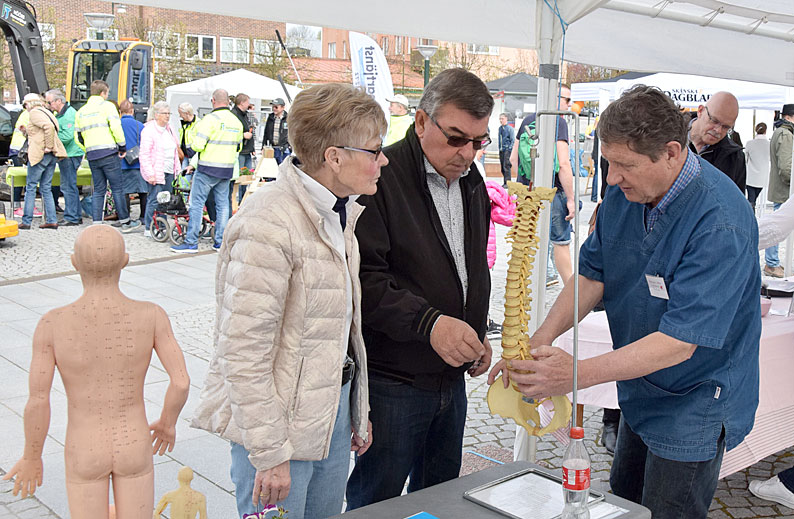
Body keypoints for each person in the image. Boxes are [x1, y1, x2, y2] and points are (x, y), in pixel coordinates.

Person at [489, 85, 761, 519]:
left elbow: (679, 342)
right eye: (608, 162)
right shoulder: (625, 191)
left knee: (668, 509)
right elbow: (593, 275)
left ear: (672, 152)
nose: (611, 178)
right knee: (623, 503)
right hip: (641, 388)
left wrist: (574, 375)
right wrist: (536, 342)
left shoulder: (720, 222)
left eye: (624, 165)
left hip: (696, 400)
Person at [192, 83, 383, 519]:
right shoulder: (268, 222)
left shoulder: (338, 210)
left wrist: (357, 410)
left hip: (327, 413)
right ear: (334, 157)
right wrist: (268, 450)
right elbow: (242, 351)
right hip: (277, 432)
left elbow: (339, 332)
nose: (382, 160)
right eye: (374, 150)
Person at [345, 68, 493, 509]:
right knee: (378, 502)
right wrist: (430, 325)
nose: (467, 153)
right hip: (396, 382)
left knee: (439, 501)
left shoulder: (472, 183)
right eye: (455, 138)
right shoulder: (378, 179)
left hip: (451, 379)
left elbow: (470, 269)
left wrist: (476, 330)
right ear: (422, 121)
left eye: (478, 142)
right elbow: (364, 282)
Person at [2, 225, 190, 517]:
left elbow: (38, 399)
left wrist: (32, 455)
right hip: (134, 440)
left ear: (74, 262)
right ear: (125, 260)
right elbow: (180, 382)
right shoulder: (152, 315)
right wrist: (167, 423)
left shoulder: (52, 324)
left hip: (84, 445)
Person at [510, 84, 577, 285]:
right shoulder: (559, 122)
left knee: (528, 240)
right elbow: (563, 164)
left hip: (527, 191)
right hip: (552, 192)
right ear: (556, 99)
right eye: (567, 100)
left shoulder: (528, 121)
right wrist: (571, 199)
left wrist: (523, 182)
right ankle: (572, 295)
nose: (569, 104)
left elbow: (514, 159)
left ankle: (527, 285)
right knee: (560, 243)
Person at [171, 89, 241, 253]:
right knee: (223, 205)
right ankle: (220, 242)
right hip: (226, 170)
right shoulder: (236, 121)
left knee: (196, 204)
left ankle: (191, 242)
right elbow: (239, 146)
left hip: (207, 168)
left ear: (213, 101)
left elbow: (197, 145)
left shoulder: (210, 120)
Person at [75, 80, 140, 231]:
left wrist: (88, 148)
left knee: (99, 189)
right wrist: (122, 146)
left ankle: (97, 222)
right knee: (117, 188)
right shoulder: (108, 106)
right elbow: (116, 128)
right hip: (109, 153)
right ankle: (125, 222)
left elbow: (78, 136)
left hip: (92, 154)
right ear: (103, 93)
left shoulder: (81, 111)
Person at [17, 93, 66, 230]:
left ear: (30, 103)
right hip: (51, 156)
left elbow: (48, 128)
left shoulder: (34, 113)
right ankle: (51, 220)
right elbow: (42, 130)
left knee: (31, 187)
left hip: (40, 154)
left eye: (25, 104)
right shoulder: (46, 112)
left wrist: (48, 146)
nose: (24, 107)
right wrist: (25, 131)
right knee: (46, 188)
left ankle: (26, 221)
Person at [688, 91, 746, 194]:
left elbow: (736, 205)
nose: (718, 130)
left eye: (726, 127)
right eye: (714, 121)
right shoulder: (668, 136)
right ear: (700, 111)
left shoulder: (735, 157)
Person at [140, 101, 181, 238]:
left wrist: (177, 169)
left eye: (169, 113)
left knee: (165, 199)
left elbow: (175, 150)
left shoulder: (169, 129)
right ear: (157, 114)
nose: (167, 116)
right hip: (156, 169)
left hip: (169, 169)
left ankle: (161, 225)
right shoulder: (149, 130)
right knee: (154, 198)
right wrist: (150, 173)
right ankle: (149, 226)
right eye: (165, 113)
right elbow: (144, 154)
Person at [45, 88, 84, 226]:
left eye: (49, 102)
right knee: (68, 185)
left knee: (68, 186)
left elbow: (67, 137)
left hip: (70, 154)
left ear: (58, 101)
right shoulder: (63, 114)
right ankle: (75, 215)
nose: (48, 105)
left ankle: (72, 217)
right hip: (69, 154)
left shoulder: (68, 115)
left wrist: (50, 141)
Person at [763, 105, 794, 278]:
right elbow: (786, 166)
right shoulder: (786, 134)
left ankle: (772, 262)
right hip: (785, 189)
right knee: (778, 226)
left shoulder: (780, 132)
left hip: (782, 187)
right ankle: (772, 263)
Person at [119, 100, 147, 232]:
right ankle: (143, 216)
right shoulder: (139, 125)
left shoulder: (117, 125)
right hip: (138, 162)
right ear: (132, 111)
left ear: (120, 112)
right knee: (143, 191)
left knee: (124, 192)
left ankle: (125, 218)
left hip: (122, 163)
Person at [231, 92, 255, 204]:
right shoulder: (234, 114)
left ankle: (244, 200)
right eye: (247, 102)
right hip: (240, 151)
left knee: (248, 177)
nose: (249, 105)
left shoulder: (245, 114)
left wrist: (252, 148)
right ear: (242, 103)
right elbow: (232, 132)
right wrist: (242, 135)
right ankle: (237, 201)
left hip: (247, 150)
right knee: (239, 178)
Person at [745, 122, 770, 210]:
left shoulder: (749, 143)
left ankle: (751, 215)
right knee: (754, 197)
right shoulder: (769, 144)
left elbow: (745, 159)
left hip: (751, 176)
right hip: (763, 177)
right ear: (766, 131)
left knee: (751, 198)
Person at [262, 98, 289, 164]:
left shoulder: (288, 118)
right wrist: (263, 146)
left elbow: (292, 133)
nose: (274, 108)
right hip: (272, 148)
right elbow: (266, 133)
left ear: (282, 107)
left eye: (276, 107)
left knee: (283, 168)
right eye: (273, 107)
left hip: (283, 149)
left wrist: (289, 146)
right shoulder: (271, 117)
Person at [177, 102, 199, 170]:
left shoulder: (199, 124)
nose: (180, 116)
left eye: (180, 113)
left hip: (195, 157)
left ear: (187, 113)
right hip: (185, 156)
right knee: (183, 179)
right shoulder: (184, 124)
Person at [498, 112, 515, 186]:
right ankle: (505, 182)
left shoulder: (509, 129)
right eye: (500, 119)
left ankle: (508, 183)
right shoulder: (500, 128)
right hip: (501, 150)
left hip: (507, 150)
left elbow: (512, 140)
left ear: (506, 119)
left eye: (502, 119)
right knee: (502, 167)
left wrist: (509, 148)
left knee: (506, 166)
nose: (501, 120)